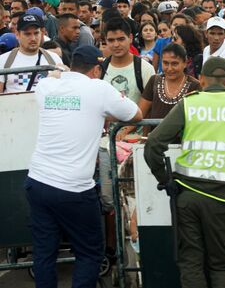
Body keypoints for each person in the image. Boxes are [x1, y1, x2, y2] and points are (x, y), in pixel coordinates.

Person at [143, 56, 225, 288]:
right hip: (222, 199)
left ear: (202, 80)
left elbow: (153, 143)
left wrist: (165, 180)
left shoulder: (189, 102)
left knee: (191, 262)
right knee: (220, 264)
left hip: (187, 195)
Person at [26, 45, 142, 288]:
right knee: (89, 253)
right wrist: (105, 114)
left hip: (38, 180)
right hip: (74, 188)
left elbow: (53, 77)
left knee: (45, 253)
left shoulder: (47, 86)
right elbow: (136, 115)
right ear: (97, 69)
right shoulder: (97, 88)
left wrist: (60, 74)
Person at [138, 43, 201, 122]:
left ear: (185, 63)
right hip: (155, 134)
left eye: (174, 64)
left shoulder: (195, 86)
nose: (170, 68)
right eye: (165, 63)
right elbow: (140, 112)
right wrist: (124, 131)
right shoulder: (154, 81)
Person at [0, 13, 63, 93]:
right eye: (27, 34)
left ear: (42, 33)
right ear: (17, 34)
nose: (33, 38)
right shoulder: (3, 61)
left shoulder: (54, 59)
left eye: (36, 33)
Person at [102, 17, 155, 103]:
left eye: (121, 39)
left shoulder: (146, 69)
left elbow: (150, 103)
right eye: (111, 40)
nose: (116, 45)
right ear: (105, 41)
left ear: (130, 38)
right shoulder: (99, 69)